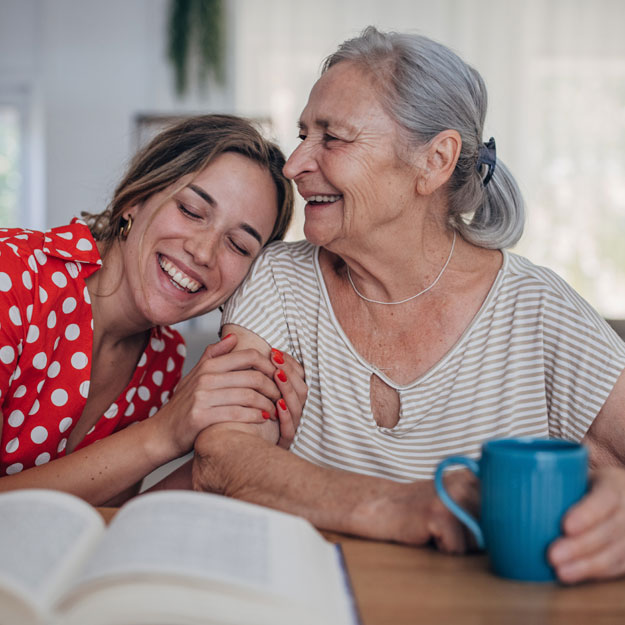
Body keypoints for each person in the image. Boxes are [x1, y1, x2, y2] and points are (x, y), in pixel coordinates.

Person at [191, 29, 625, 584]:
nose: (294, 163)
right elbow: (223, 459)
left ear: (434, 161)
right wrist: (402, 507)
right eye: (303, 134)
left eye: (333, 138)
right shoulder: (279, 281)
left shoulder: (538, 311)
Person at [0, 114, 306, 506]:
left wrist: (251, 450)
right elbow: (154, 441)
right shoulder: (12, 276)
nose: (203, 251)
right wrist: (163, 433)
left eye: (239, 246)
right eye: (192, 211)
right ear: (134, 200)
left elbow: (107, 518)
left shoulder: (162, 356)